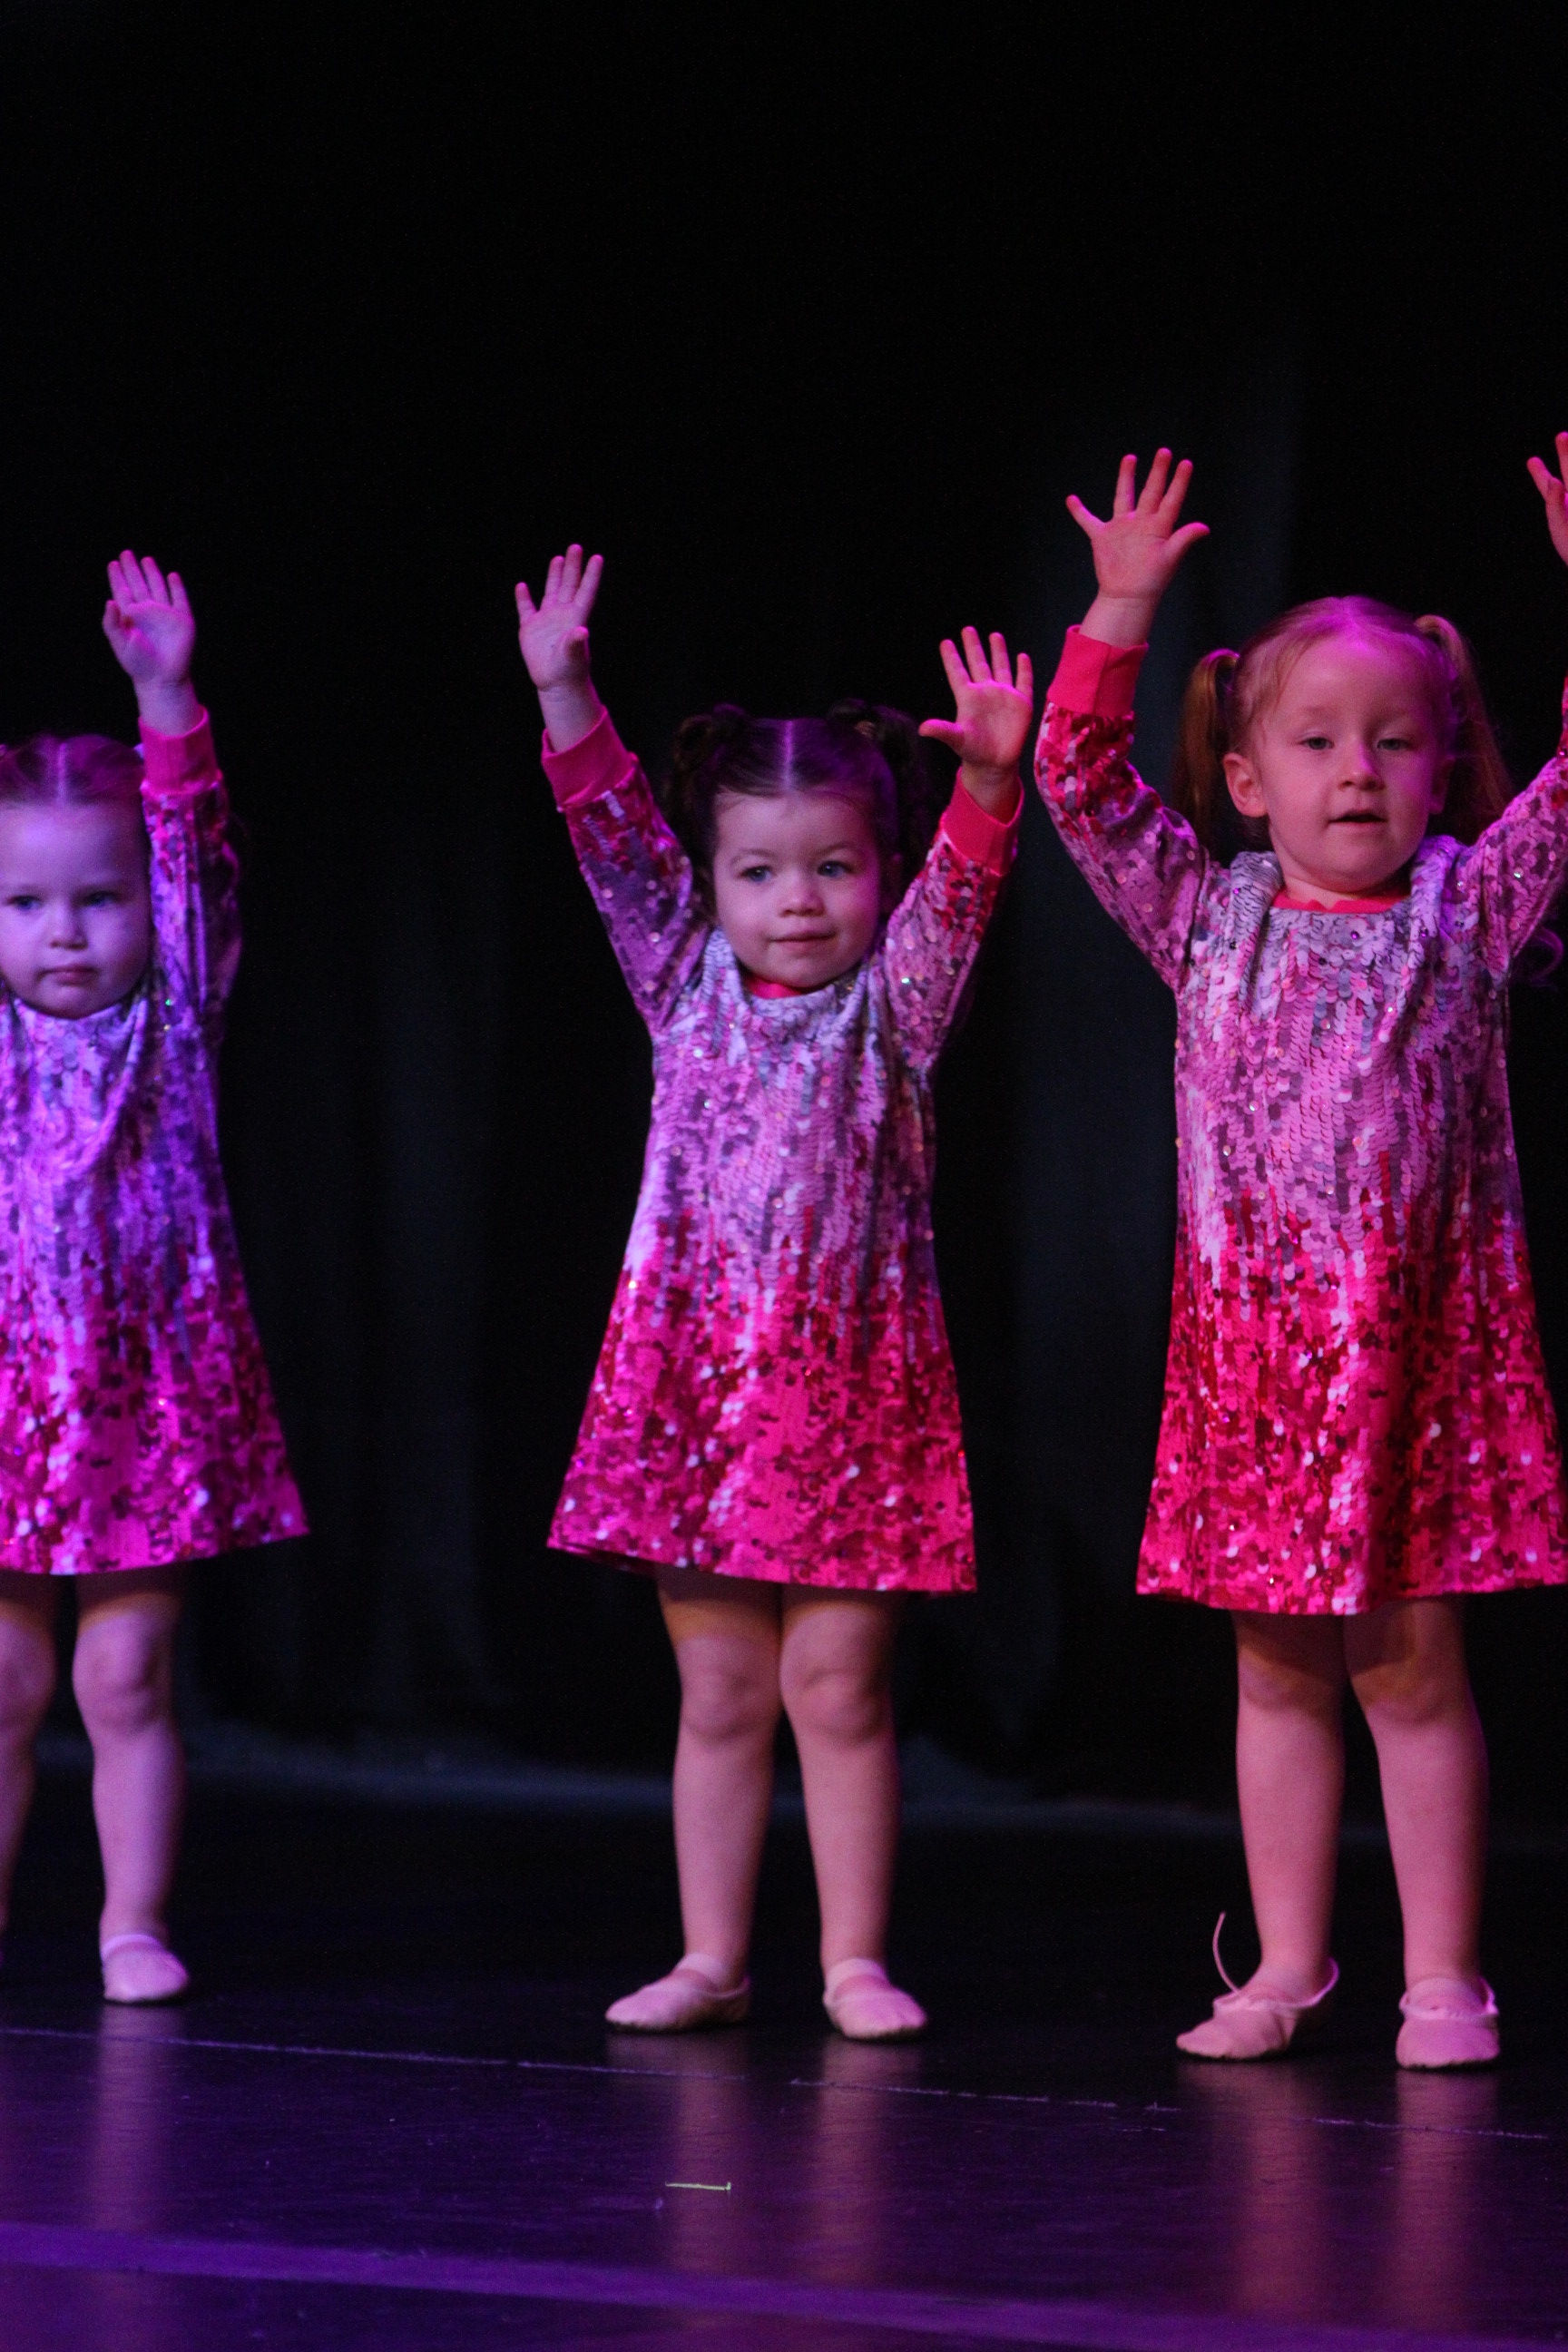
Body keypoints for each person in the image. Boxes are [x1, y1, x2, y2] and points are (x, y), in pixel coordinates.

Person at [1035, 436, 1568, 2069]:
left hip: (1422, 1366)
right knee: (1276, 1677)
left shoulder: (1467, 911)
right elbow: (1076, 785)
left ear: (1441, 764)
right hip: (1258, 1373)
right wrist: (1118, 612)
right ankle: (1284, 1963)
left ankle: (1444, 1976)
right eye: (1319, 741)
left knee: (1411, 1671)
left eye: (1395, 742)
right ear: (1251, 776)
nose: (1359, 773)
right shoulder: (1211, 917)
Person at [516, 546, 1029, 2038]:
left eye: (833, 869)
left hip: (855, 1402)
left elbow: (966, 892)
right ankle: (712, 1959)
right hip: (699, 1397)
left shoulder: (898, 1006)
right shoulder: (683, 984)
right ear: (714, 882)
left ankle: (853, 1959)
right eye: (758, 872)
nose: (797, 903)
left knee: (840, 1691)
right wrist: (566, 696)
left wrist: (992, 785)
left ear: (879, 872)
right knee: (724, 1695)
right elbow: (612, 838)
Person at [0, 552, 304, 2003]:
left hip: (147, 1400)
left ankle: (133, 1921)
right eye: (25, 903)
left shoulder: (172, 1009)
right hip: (14, 1398)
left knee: (121, 1677)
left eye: (98, 900)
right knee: (5, 1683)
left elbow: (192, 848)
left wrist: (166, 700)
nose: (64, 934)